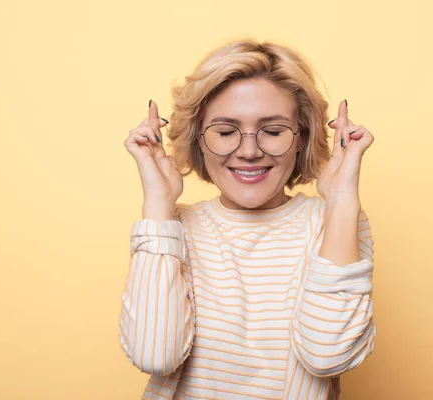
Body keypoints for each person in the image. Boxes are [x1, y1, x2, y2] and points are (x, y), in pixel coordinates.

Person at [118, 38, 376, 400]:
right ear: (199, 139)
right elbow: (154, 355)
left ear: (301, 138)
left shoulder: (334, 222)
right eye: (225, 132)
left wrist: (343, 198)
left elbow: (328, 355)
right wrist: (159, 206)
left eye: (272, 132)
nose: (250, 151)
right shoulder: (171, 230)